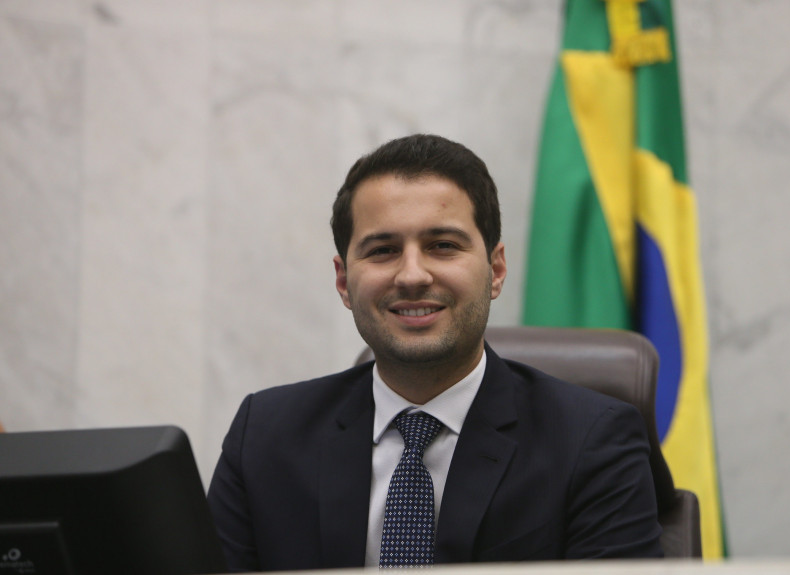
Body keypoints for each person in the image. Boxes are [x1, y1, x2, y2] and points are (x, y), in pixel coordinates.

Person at [207, 134, 663, 571]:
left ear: (496, 269)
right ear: (345, 282)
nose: (412, 275)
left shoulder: (592, 441)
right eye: (382, 250)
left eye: (442, 246)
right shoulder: (265, 436)